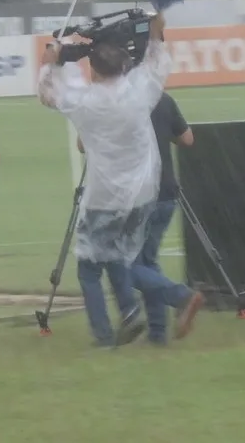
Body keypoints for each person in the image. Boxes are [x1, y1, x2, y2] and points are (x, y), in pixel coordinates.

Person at [38, 13, 172, 347]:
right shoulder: (141, 91)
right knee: (117, 256)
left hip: (104, 195)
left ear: (93, 69)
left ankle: (104, 336)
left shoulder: (85, 102)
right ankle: (129, 311)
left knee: (88, 268)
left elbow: (47, 95)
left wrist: (50, 62)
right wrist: (155, 32)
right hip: (142, 193)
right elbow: (157, 62)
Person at [78, 91, 204, 345]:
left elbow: (83, 145)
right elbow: (188, 138)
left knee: (123, 267)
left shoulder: (114, 101)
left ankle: (180, 296)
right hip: (166, 192)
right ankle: (157, 333)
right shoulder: (162, 98)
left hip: (135, 196)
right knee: (146, 262)